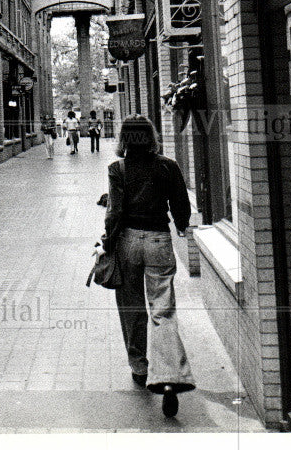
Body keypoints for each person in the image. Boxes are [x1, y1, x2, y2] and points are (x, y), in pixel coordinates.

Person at [103, 117, 195, 418]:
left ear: (124, 139)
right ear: (151, 137)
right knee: (163, 309)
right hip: (159, 241)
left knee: (131, 307)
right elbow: (181, 205)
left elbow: (115, 211)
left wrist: (107, 241)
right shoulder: (168, 166)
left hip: (128, 240)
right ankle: (169, 379)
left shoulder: (118, 169)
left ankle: (140, 367)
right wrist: (181, 226)